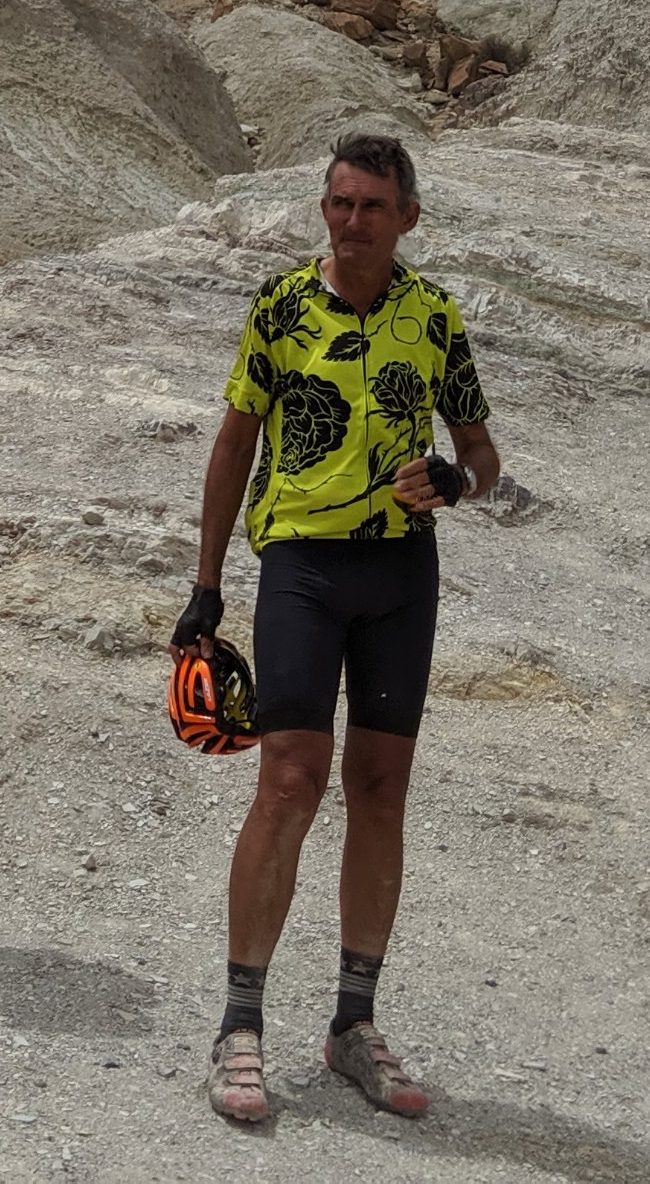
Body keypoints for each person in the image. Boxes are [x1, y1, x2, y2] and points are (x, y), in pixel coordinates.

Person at [173, 131, 501, 1128]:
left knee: (381, 791)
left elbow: (482, 455)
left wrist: (454, 481)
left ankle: (353, 1022)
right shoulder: (280, 306)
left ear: (408, 217)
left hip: (401, 572)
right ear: (324, 209)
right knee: (288, 781)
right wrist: (205, 587)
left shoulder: (434, 315)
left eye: (372, 206)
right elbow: (234, 442)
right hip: (302, 567)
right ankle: (239, 1025)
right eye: (339, 203)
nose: (352, 221)